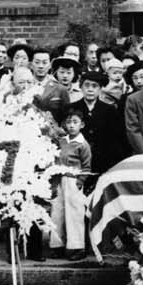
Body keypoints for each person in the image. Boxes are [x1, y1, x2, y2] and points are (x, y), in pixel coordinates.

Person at [49, 111, 92, 261]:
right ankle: (56, 245)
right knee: (57, 212)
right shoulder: (62, 141)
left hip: (73, 181)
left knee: (74, 214)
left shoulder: (82, 144)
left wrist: (80, 182)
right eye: (69, 122)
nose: (72, 125)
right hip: (59, 179)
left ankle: (76, 247)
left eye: (75, 122)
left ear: (82, 125)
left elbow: (86, 167)